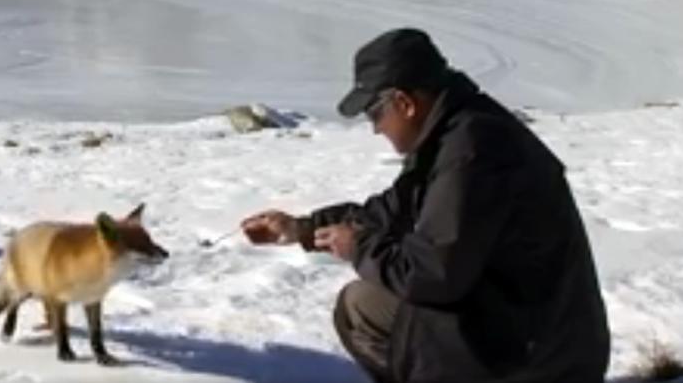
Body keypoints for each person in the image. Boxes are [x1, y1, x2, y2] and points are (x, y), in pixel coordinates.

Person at [241, 29, 610, 383]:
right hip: (530, 329)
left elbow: (433, 276)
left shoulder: (472, 152)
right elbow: (392, 210)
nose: (376, 129)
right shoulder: (454, 134)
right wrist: (302, 229)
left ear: (404, 103)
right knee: (367, 304)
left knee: (363, 309)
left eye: (375, 114)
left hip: (545, 356)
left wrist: (358, 246)